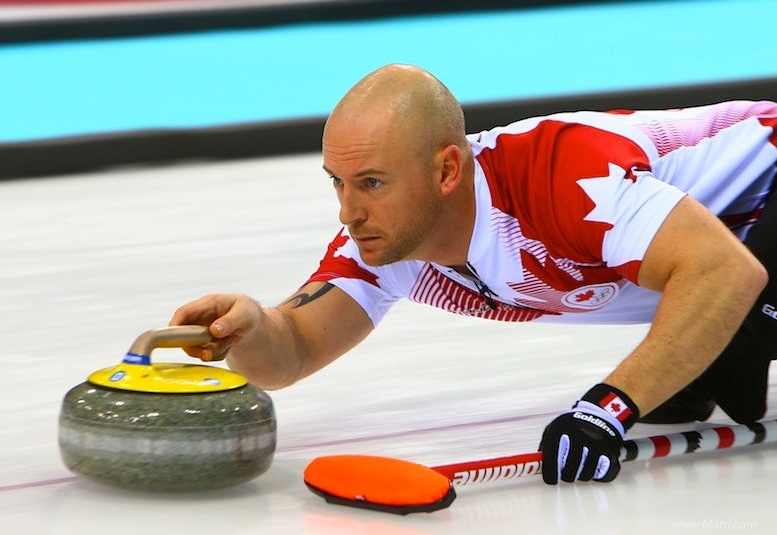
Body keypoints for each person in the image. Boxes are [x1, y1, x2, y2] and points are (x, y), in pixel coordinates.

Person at [170, 64, 777, 485]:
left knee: (733, 357)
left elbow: (725, 272)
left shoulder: (559, 176)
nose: (348, 211)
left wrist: (605, 409)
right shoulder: (386, 244)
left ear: (447, 171)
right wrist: (251, 328)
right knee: (719, 376)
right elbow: (294, 350)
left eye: (372, 183)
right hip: (746, 244)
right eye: (338, 181)